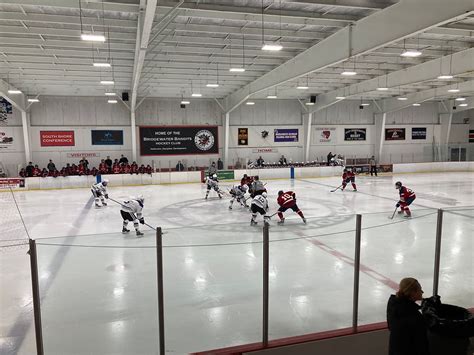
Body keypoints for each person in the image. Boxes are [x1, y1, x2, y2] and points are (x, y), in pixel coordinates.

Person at [387, 277, 429, 355]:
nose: (422, 292)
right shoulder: (415, 316)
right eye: (420, 289)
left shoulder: (394, 307)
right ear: (412, 293)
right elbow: (421, 345)